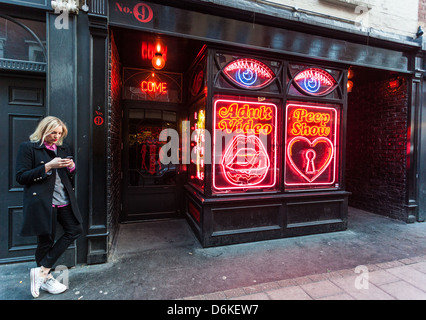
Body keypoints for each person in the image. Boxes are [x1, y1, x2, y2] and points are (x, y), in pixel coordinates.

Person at [15, 116, 83, 298]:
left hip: (64, 199)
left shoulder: (63, 148)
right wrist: (47, 167)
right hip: (43, 202)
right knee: (45, 241)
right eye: (53, 132)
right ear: (44, 130)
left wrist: (72, 167)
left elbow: (68, 176)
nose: (56, 136)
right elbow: (21, 176)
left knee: (75, 229)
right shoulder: (29, 148)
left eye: (59, 133)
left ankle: (42, 271)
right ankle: (46, 278)